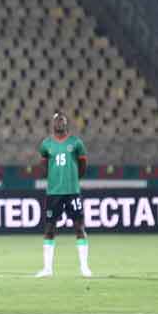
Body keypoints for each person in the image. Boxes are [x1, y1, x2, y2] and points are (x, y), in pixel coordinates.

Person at [35, 112, 91, 278]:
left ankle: (84, 267)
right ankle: (47, 269)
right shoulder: (46, 144)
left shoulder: (76, 143)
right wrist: (52, 178)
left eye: (62, 120)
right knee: (50, 228)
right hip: (54, 193)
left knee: (79, 227)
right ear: (53, 124)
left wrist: (75, 179)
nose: (59, 122)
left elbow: (83, 164)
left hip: (72, 191)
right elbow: (43, 164)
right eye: (57, 120)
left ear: (67, 124)